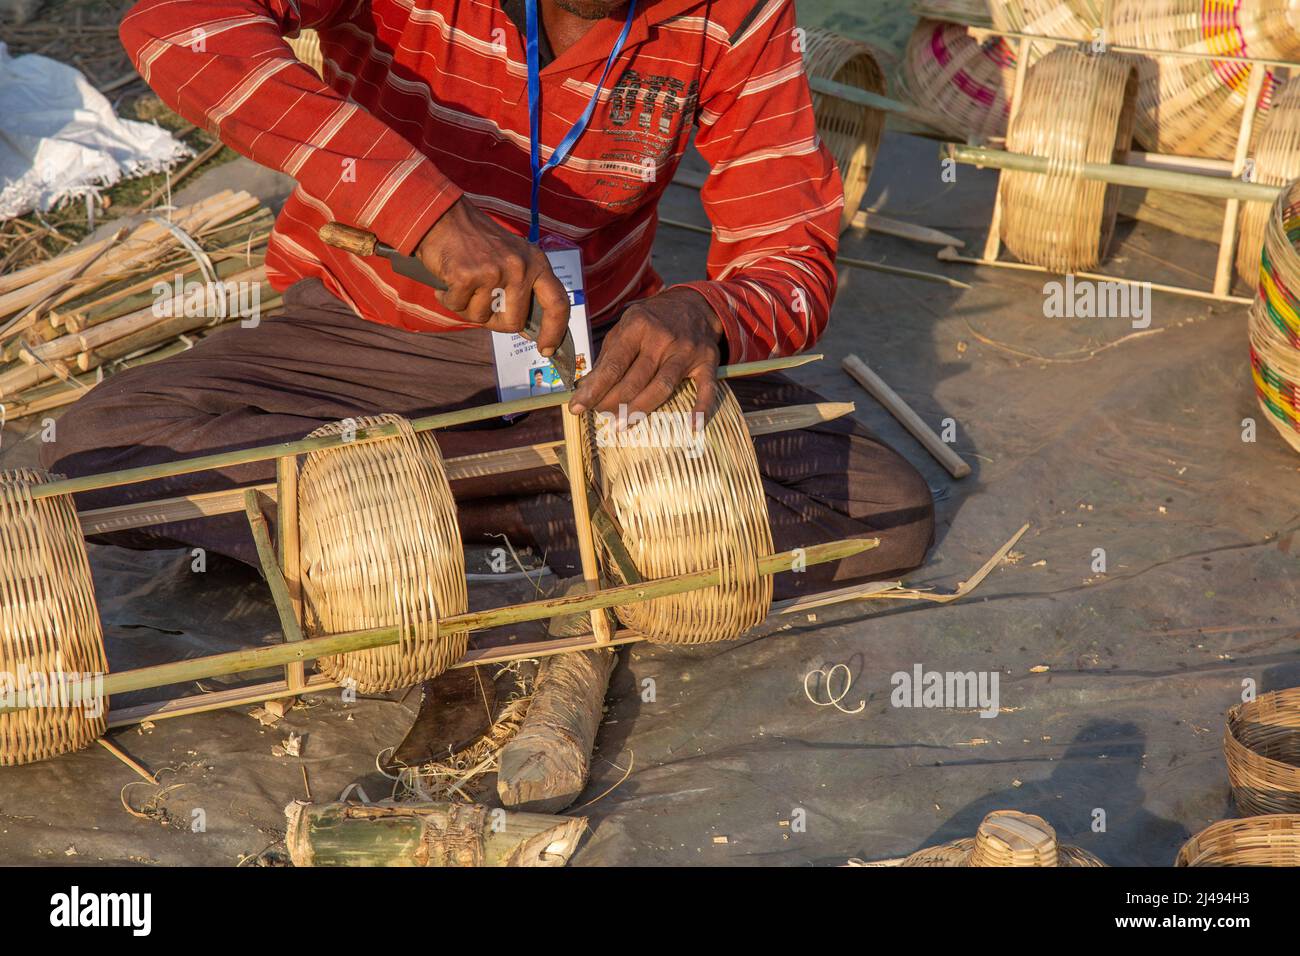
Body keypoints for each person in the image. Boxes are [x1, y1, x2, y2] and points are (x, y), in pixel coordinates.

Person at [44, 0, 934, 598]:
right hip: (360, 342)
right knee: (94, 454)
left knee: (883, 510)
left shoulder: (737, 15)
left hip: (594, 362)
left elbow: (787, 246)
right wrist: (426, 215)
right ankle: (554, 508)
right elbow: (177, 26)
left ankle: (399, 516)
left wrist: (703, 314)